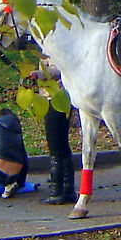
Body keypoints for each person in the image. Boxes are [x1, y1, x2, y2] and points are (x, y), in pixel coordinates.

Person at [29, 59, 77, 205]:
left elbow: (58, 70)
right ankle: (68, 190)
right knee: (62, 146)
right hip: (58, 99)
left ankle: (56, 191)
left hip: (54, 100)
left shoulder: (54, 48)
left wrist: (37, 74)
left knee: (55, 146)